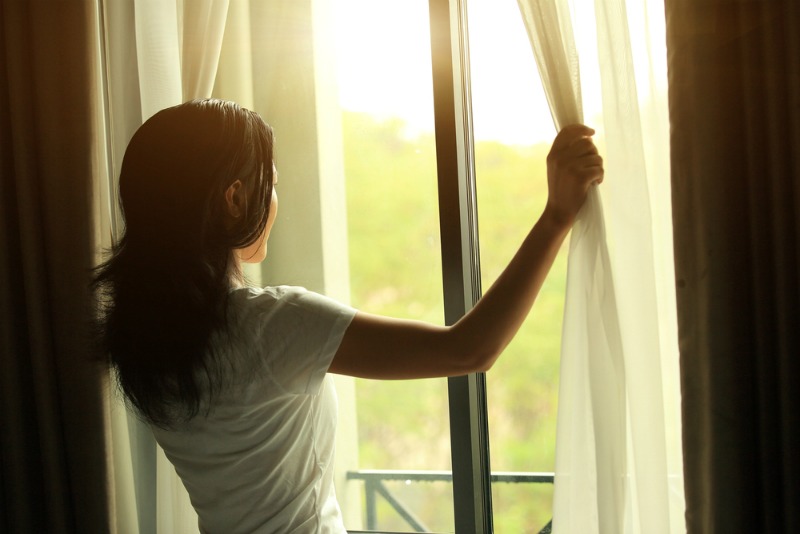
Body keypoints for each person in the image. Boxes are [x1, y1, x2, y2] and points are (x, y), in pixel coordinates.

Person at [92, 98, 603, 533]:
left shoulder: (143, 340)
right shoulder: (273, 326)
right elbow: (469, 348)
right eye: (269, 182)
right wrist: (556, 217)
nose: (275, 199)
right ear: (234, 198)